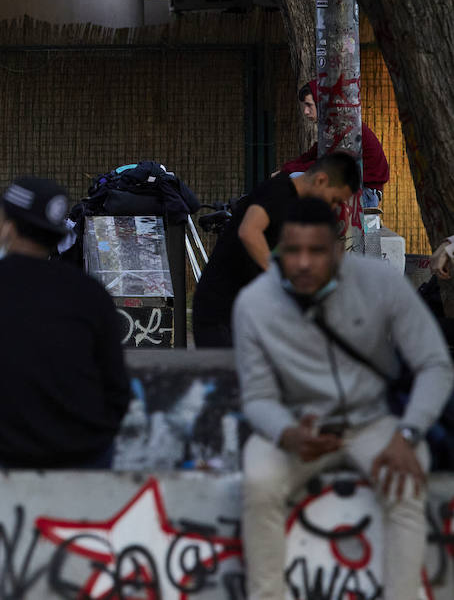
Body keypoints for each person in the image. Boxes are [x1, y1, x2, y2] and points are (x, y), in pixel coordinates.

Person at [235, 197, 453, 600]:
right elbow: (258, 397)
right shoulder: (254, 304)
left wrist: (408, 433)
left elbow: (434, 364)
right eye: (292, 250)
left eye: (315, 250)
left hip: (375, 422)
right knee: (259, 480)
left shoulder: (381, 283)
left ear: (338, 249)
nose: (302, 263)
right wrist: (286, 433)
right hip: (299, 425)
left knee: (407, 480)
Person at [0, 176, 130, 469]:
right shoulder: (91, 294)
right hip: (86, 450)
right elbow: (117, 386)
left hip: (6, 448)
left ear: (7, 225)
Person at [193, 152, 360, 347]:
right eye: (334, 199)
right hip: (219, 311)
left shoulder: (295, 207)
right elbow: (249, 231)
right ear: (321, 180)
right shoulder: (278, 191)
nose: (333, 207)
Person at [280, 81, 389, 209]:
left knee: (297, 179)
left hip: (364, 193)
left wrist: (286, 171)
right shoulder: (332, 125)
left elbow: (324, 166)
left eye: (309, 105)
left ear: (321, 104)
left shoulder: (343, 126)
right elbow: (310, 156)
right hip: (352, 189)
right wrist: (285, 170)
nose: (306, 111)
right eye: (304, 106)